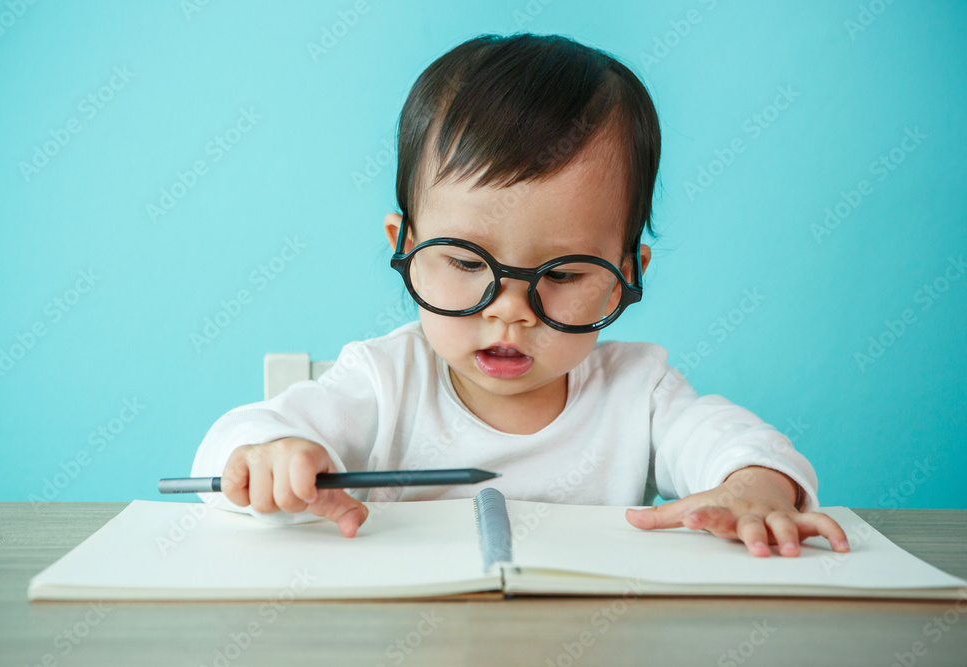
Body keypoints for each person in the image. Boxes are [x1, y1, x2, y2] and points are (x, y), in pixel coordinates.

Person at [191, 33, 849, 558]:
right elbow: (231, 449)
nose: (509, 310)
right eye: (463, 261)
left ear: (626, 273)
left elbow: (731, 440)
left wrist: (755, 484)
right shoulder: (383, 381)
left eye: (562, 275)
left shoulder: (639, 392)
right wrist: (267, 458)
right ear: (404, 245)